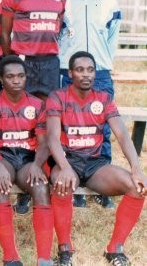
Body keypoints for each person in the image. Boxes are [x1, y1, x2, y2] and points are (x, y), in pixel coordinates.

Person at [47, 51, 147, 266]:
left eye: (90, 70)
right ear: (71, 73)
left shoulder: (103, 98)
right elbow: (52, 138)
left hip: (95, 164)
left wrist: (137, 168)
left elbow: (121, 134)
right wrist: (63, 167)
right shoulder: (58, 97)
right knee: (61, 184)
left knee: (138, 187)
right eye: (80, 70)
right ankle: (65, 251)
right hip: (68, 161)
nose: (86, 75)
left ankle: (115, 249)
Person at [59, 0, 122, 209]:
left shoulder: (109, 3)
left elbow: (112, 40)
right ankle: (75, 186)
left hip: (100, 74)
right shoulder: (63, 2)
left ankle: (101, 183)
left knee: (101, 128)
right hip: (68, 73)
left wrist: (102, 64)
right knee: (70, 127)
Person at [0, 55, 53, 266]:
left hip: (28, 157)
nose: (16, 80)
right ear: (2, 79)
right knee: (1, 185)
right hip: (2, 156)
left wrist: (38, 166)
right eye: (10, 76)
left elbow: (44, 142)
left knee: (40, 187)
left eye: (20, 76)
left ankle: (44, 259)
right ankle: (10, 257)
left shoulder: (38, 104)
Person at [1, 0, 65, 100]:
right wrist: (13, 61)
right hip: (23, 61)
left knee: (47, 110)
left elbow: (59, 28)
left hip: (50, 63)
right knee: (22, 111)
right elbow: (4, 33)